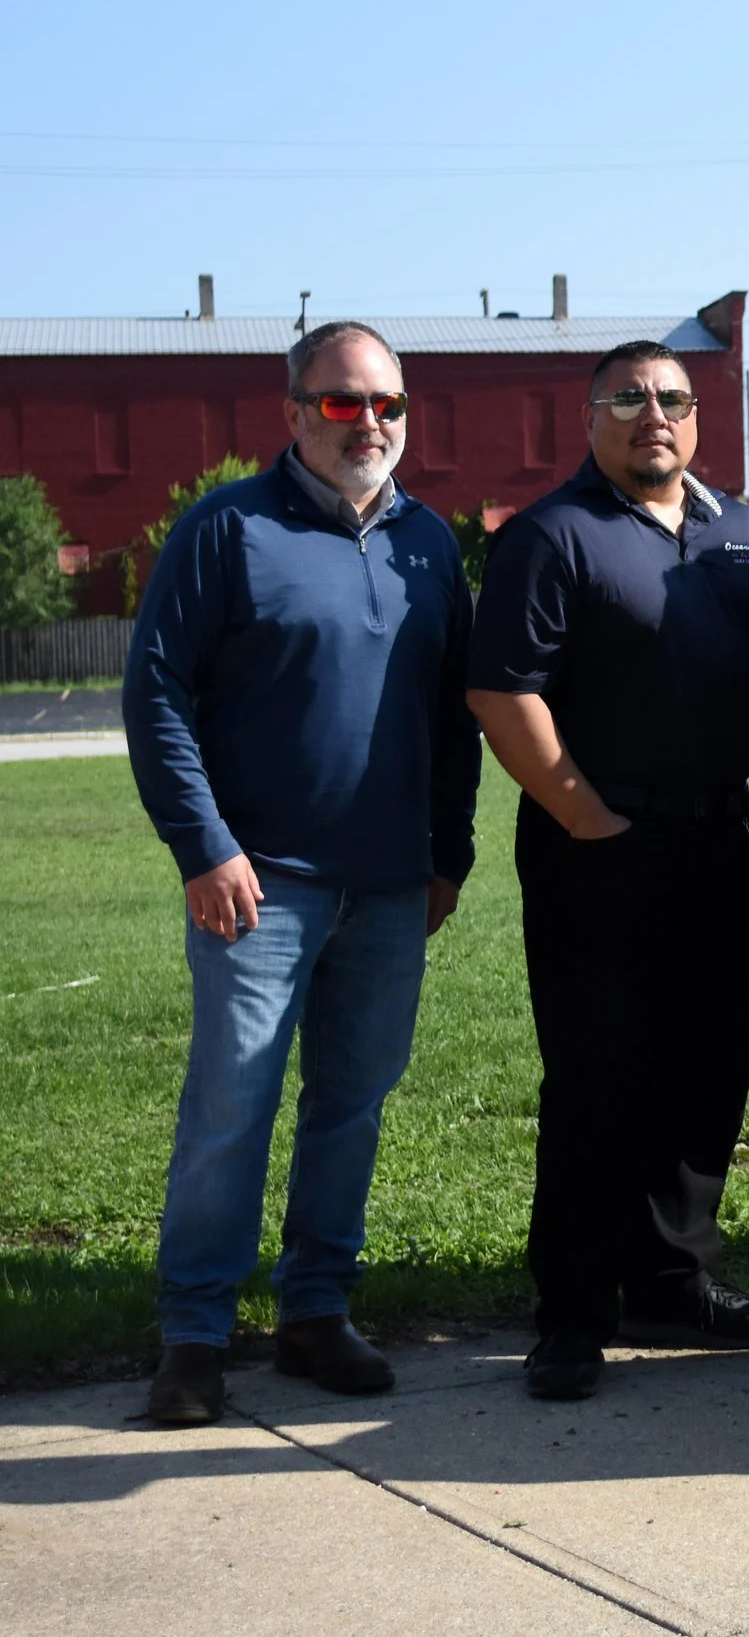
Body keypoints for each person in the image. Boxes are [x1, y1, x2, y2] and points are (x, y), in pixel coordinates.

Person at [125, 320, 479, 1425]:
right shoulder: (225, 528)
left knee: (353, 1102)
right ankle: (194, 1331)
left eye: (387, 404)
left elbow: (449, 717)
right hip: (258, 880)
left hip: (388, 882)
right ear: (291, 412)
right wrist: (205, 845)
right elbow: (158, 694)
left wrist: (447, 852)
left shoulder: (428, 541)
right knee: (232, 1101)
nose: (367, 422)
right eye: (341, 402)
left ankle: (316, 1310)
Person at [468, 340, 749, 1402]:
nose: (652, 413)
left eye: (671, 397)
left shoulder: (746, 540)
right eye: (628, 397)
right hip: (594, 846)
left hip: (720, 841)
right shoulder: (549, 536)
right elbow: (502, 693)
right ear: (591, 418)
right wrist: (587, 816)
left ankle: (673, 1277)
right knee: (597, 1076)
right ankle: (572, 1309)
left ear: (696, 418)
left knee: (707, 1073)